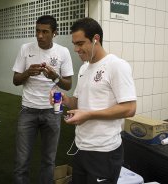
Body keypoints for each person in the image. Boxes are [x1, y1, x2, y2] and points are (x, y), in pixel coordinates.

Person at [56, 17, 137, 184]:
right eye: (74, 44)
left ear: (96, 39)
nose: (76, 49)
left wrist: (88, 115)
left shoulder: (116, 65)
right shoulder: (84, 68)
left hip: (104, 151)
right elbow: (78, 103)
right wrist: (66, 100)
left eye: (80, 43)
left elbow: (130, 108)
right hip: (81, 147)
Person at [12, 15, 74, 184]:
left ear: (55, 33)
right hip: (28, 110)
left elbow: (68, 85)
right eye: (37, 31)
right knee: (21, 161)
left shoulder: (63, 52)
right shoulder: (25, 48)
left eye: (45, 32)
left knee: (48, 161)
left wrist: (55, 76)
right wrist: (27, 73)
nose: (40, 35)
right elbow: (16, 80)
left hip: (52, 111)